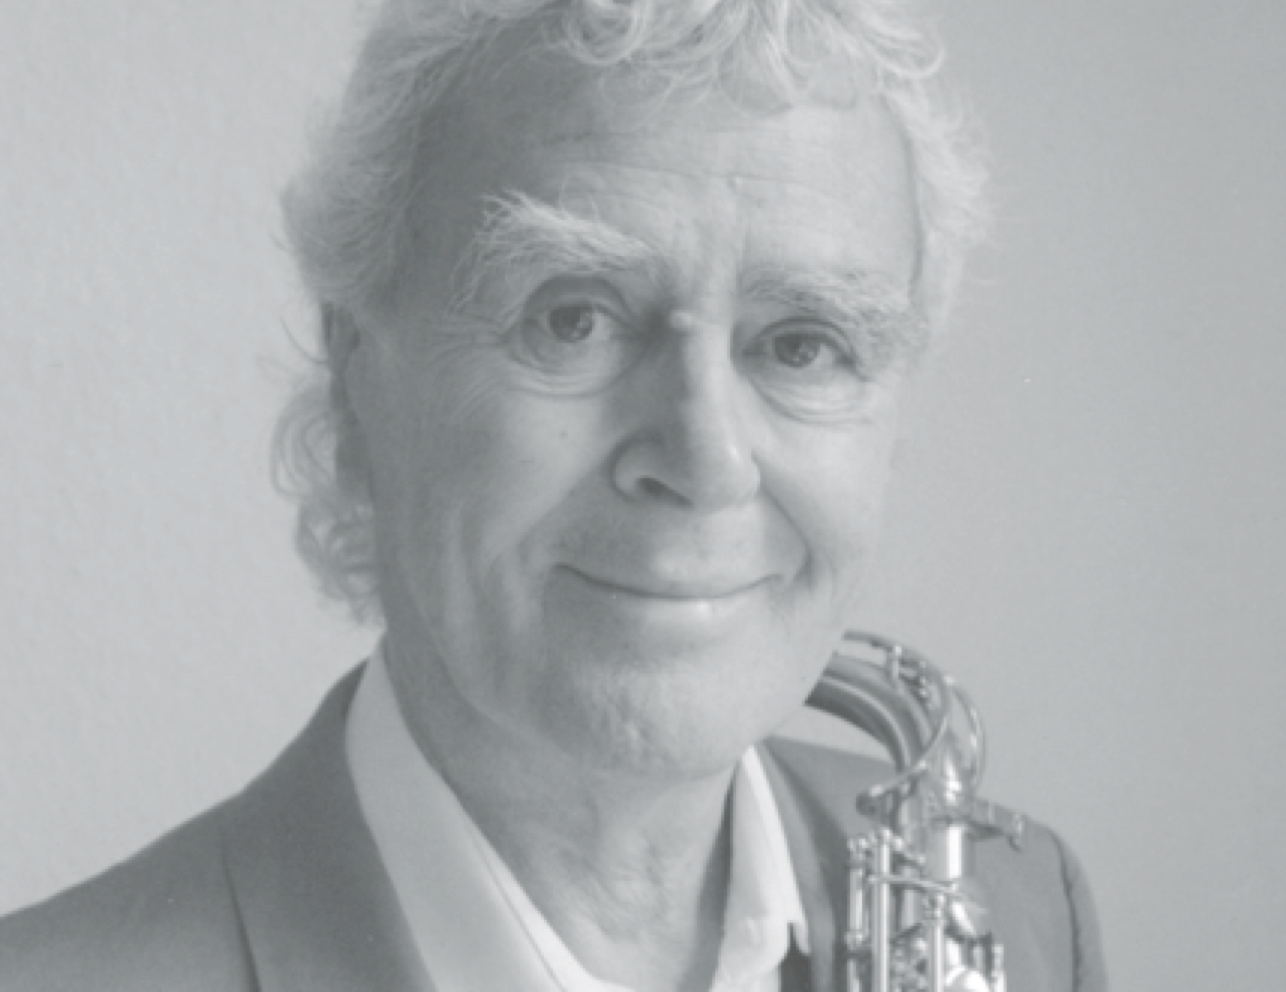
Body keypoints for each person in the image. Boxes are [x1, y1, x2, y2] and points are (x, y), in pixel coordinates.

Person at [0, 1, 1106, 989]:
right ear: (355, 377)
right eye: (573, 317)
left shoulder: (1025, 916)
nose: (707, 460)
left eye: (801, 344)